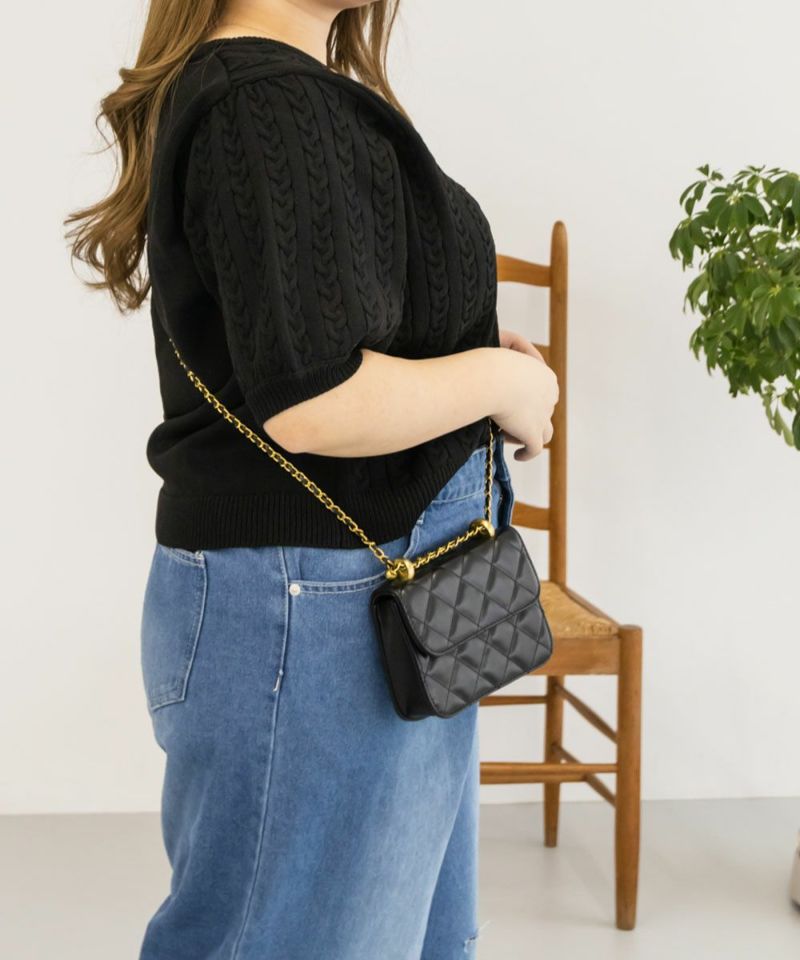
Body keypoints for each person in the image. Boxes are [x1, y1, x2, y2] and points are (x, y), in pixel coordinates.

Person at [64, 1, 558, 957]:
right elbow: (314, 399)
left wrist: (464, 344)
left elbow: (306, 325)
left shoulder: (282, 91)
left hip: (366, 603)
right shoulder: (264, 101)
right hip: (322, 613)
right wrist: (505, 386)